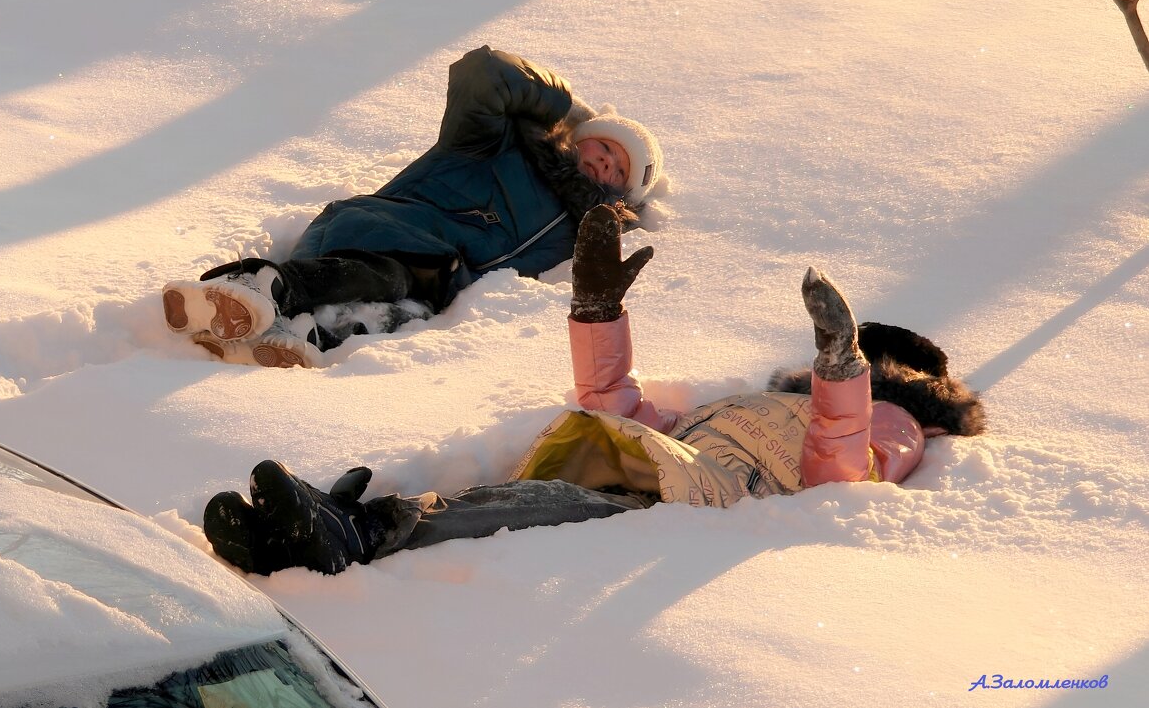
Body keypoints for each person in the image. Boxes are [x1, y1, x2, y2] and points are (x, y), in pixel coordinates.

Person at [202, 206, 986, 575]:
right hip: (649, 469)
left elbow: (837, 478)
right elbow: (619, 413)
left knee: (528, 507)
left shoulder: (897, 423)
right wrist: (599, 310)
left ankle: (356, 534)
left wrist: (844, 377)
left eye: (847, 353)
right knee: (522, 493)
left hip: (680, 515)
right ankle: (307, 533)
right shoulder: (751, 404)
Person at [162, 46, 664, 368]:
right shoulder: (498, 143)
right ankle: (262, 285)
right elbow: (482, 72)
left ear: (622, 193)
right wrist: (563, 105)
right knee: (400, 278)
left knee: (400, 316)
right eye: (603, 147)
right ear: (582, 137)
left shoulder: (586, 230)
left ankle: (267, 332)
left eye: (618, 170)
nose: (603, 165)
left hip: (431, 282)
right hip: (385, 232)